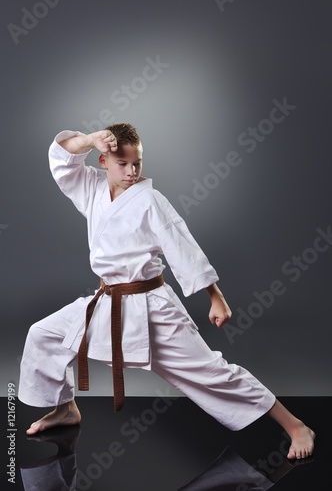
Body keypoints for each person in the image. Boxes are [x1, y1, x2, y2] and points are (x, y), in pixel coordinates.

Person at [18, 124, 315, 460]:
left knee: (213, 373)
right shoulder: (91, 188)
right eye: (122, 164)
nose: (131, 172)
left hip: (152, 309)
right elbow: (61, 158)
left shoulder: (149, 200)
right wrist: (88, 139)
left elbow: (181, 247)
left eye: (137, 164)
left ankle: (295, 426)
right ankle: (65, 408)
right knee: (43, 335)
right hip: (108, 301)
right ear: (102, 161)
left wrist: (215, 297)